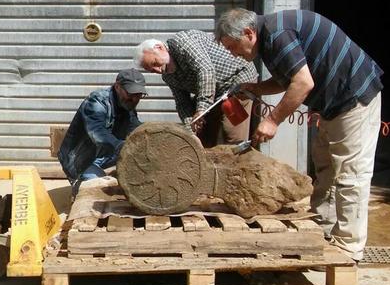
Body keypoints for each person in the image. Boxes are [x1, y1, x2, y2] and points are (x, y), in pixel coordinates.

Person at [215, 8, 383, 262]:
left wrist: (272, 121)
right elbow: (288, 78)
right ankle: (322, 229)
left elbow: (303, 83)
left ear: (249, 33)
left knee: (351, 174)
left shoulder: (276, 33)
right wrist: (257, 88)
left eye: (232, 46)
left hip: (353, 97)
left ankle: (349, 247)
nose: (233, 53)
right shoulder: (271, 39)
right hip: (331, 103)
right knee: (325, 166)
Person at [133, 30, 258, 147]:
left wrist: (201, 110)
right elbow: (182, 103)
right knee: (202, 139)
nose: (157, 70)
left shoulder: (183, 42)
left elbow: (206, 70)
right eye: (151, 70)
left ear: (159, 48)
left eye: (154, 63)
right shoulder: (168, 76)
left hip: (238, 81)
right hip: (214, 92)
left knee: (232, 136)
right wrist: (190, 132)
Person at [57, 68, 145, 197]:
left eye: (138, 94)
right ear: (117, 87)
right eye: (131, 93)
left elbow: (134, 128)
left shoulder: (127, 104)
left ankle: (113, 176)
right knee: (99, 190)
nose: (135, 99)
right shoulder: (97, 101)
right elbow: (97, 132)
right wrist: (120, 146)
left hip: (103, 155)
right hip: (79, 160)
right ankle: (79, 183)